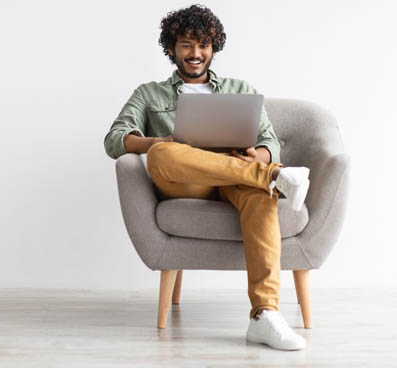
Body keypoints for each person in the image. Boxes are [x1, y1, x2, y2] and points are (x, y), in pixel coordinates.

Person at [102, 4, 312, 351]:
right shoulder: (149, 94)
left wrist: (257, 156)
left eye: (203, 45)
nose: (196, 54)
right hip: (186, 182)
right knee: (160, 154)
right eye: (186, 44)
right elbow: (114, 140)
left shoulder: (239, 87)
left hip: (235, 178)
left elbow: (269, 141)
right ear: (171, 48)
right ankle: (273, 176)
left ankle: (264, 315)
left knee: (261, 195)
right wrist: (160, 140)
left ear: (214, 47)